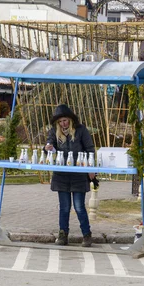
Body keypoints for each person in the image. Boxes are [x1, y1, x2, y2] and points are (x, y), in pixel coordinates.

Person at [44, 104, 95, 247]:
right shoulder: (54, 131)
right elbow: (49, 148)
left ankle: (86, 235)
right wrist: (47, 148)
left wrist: (91, 169)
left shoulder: (81, 130)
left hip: (78, 173)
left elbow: (90, 149)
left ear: (71, 119)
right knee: (64, 207)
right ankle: (63, 234)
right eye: (60, 122)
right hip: (61, 174)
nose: (63, 124)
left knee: (79, 207)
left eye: (65, 120)